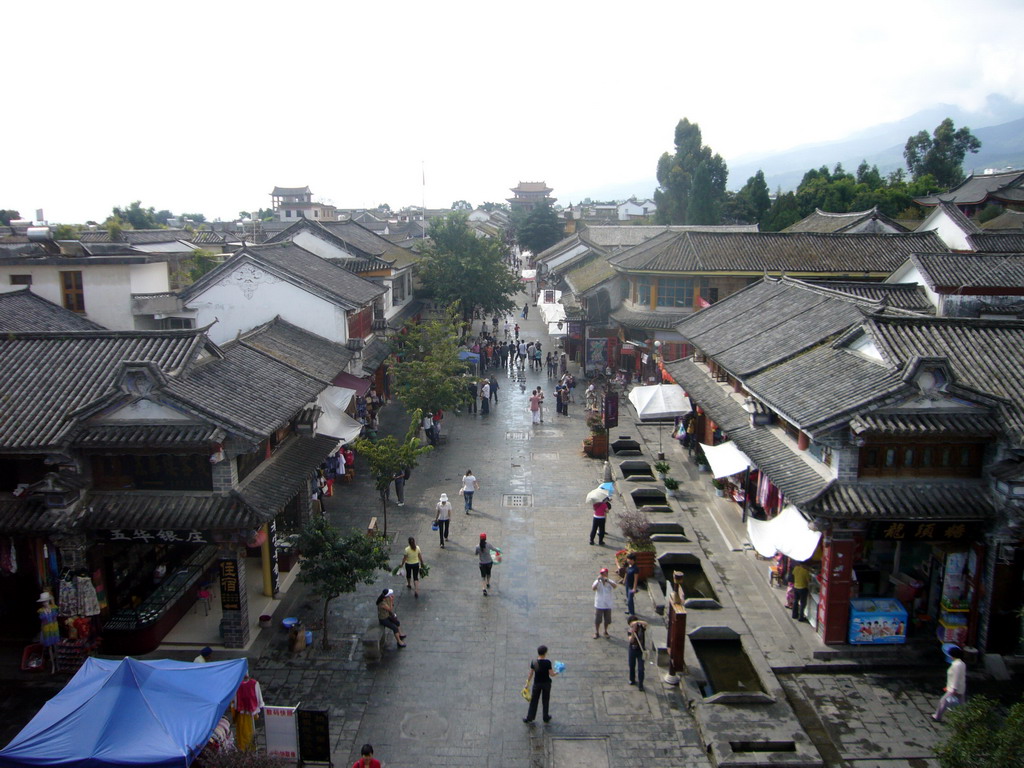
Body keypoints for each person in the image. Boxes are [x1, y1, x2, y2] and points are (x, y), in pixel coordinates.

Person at [523, 644, 556, 723]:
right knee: (545, 700)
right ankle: (545, 716)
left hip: (537, 684)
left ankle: (530, 717)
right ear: (545, 653)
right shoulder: (547, 662)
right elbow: (552, 674)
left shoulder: (534, 662)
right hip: (546, 684)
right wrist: (558, 671)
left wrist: (527, 683)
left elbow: (531, 673)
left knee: (534, 700)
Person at [933, 646, 967, 722]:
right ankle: (964, 719)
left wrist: (952, 689)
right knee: (961, 705)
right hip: (961, 688)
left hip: (954, 690)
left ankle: (937, 717)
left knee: (943, 702)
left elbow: (955, 678)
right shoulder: (962, 663)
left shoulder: (956, 665)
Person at [233, 673, 264, 751]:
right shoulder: (253, 683)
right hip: (246, 712)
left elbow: (235, 701)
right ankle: (248, 747)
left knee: (247, 731)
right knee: (247, 731)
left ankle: (248, 746)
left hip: (245, 712)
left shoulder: (252, 684)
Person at [592, 567, 619, 638]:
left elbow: (615, 586)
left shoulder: (609, 581)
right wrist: (598, 581)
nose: (603, 575)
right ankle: (596, 632)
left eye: (604, 574)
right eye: (602, 574)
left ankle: (605, 631)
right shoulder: (597, 582)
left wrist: (608, 581)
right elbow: (593, 588)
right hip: (599, 604)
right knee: (597, 620)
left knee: (607, 620)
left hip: (607, 604)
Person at [627, 615, 648, 691]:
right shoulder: (630, 631)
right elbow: (631, 641)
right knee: (631, 665)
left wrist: (637, 622)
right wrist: (633, 633)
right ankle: (632, 679)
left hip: (640, 650)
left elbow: (646, 624)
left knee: (641, 668)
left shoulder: (641, 628)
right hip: (632, 650)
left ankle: (641, 684)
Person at [623, 552, 640, 616]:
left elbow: (636, 579)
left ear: (633, 560)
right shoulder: (629, 566)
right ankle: (629, 610)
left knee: (630, 599)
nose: (628, 561)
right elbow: (626, 573)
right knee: (628, 597)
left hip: (631, 585)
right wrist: (624, 580)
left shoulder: (635, 568)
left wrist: (634, 588)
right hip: (627, 584)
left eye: (629, 560)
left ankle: (632, 613)